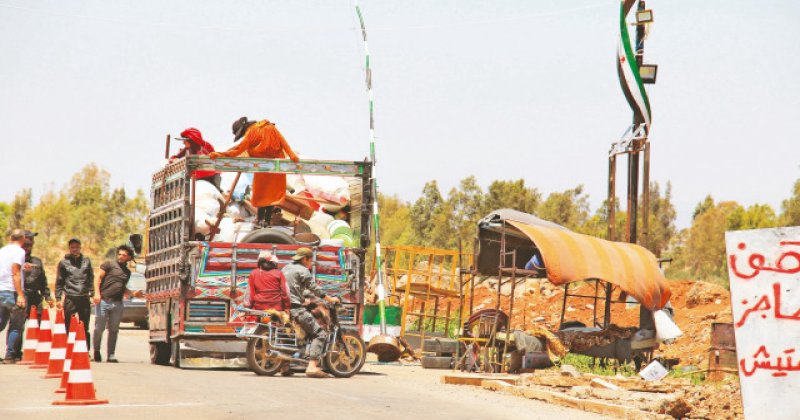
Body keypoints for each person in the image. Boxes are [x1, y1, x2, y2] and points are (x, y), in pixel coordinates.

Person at [209, 117, 300, 226]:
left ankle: (261, 220)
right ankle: (266, 220)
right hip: (276, 168)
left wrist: (218, 155)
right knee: (271, 196)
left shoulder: (251, 132)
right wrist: (292, 156)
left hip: (262, 168)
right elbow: (284, 143)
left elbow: (237, 150)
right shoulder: (270, 127)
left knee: (261, 196)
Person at [281, 247, 339, 378]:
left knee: (293, 336)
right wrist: (329, 299)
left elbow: (296, 288)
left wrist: (306, 296)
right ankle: (312, 366)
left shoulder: (285, 268)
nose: (310, 263)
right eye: (310, 260)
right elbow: (315, 289)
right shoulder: (304, 271)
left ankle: (285, 365)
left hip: (284, 308)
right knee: (319, 333)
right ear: (304, 259)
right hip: (295, 308)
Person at [8, 235, 54, 361]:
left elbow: (43, 280)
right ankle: (14, 353)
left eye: (29, 245)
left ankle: (40, 351)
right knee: (18, 325)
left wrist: (47, 296)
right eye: (25, 245)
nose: (27, 248)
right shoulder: (17, 260)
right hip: (21, 295)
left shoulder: (37, 261)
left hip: (35, 296)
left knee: (40, 324)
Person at [92, 245, 141, 363]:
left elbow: (122, 288)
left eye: (124, 255)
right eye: (119, 254)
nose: (121, 256)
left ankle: (111, 354)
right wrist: (97, 294)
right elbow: (98, 278)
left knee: (114, 330)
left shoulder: (127, 272)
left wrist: (133, 293)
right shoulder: (108, 264)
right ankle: (96, 350)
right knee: (99, 328)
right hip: (103, 301)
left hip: (118, 304)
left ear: (129, 257)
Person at [55, 238, 94, 350]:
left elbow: (91, 278)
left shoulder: (86, 261)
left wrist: (92, 293)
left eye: (77, 247)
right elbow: (59, 281)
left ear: (80, 248)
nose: (74, 249)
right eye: (72, 247)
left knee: (84, 325)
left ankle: (85, 351)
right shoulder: (63, 263)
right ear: (69, 248)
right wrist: (58, 298)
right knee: (68, 324)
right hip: (70, 298)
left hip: (84, 297)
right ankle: (70, 349)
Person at [0, 229, 26, 364]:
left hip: (1, 290)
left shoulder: (2, 250)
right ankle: (10, 355)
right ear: (23, 239)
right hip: (12, 291)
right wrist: (20, 295)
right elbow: (15, 272)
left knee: (1, 323)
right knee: (16, 325)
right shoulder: (19, 252)